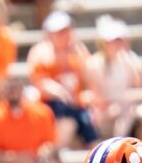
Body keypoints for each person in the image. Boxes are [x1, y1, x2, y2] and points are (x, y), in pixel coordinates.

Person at [27, 11, 97, 148]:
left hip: (76, 104)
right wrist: (60, 92)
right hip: (52, 104)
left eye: (66, 31)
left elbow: (90, 77)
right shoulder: (40, 52)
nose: (64, 35)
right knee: (68, 114)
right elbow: (40, 82)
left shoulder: (78, 51)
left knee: (85, 119)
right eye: (59, 32)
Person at [0, 77, 57, 163]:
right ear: (2, 92)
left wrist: (33, 157)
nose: (13, 93)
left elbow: (49, 146)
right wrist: (9, 158)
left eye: (16, 88)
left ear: (23, 91)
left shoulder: (42, 114)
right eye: (9, 89)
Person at [86, 16, 142, 138]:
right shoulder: (95, 63)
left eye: (119, 40)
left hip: (125, 108)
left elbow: (139, 85)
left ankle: (121, 141)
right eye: (112, 41)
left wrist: (126, 61)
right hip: (104, 111)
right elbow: (98, 96)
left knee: (137, 112)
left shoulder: (130, 59)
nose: (116, 45)